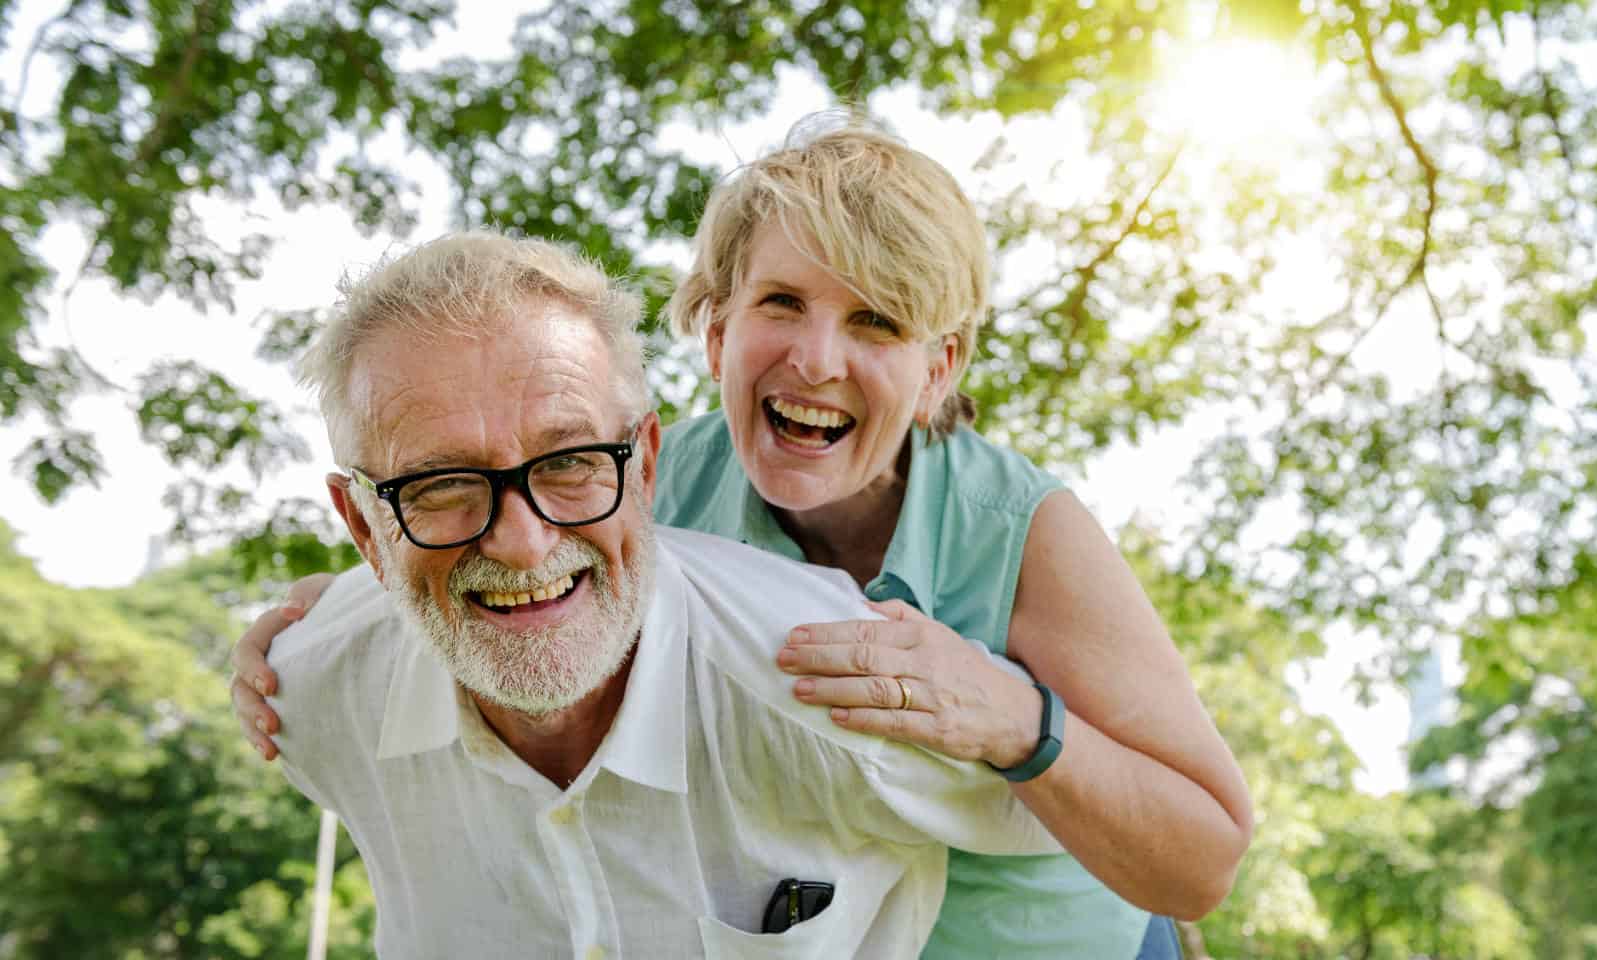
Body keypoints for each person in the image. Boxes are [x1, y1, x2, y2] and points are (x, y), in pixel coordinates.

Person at [235, 119, 1253, 959]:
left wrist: (1015, 719)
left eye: (877, 321)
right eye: (783, 303)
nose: (816, 359)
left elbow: (1202, 860)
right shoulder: (651, 480)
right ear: (717, 331)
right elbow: (510, 530)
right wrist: (353, 594)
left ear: (938, 369)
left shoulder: (1021, 531)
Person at [267, 230, 1062, 957]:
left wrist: (1030, 730)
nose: (523, 543)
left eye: (570, 463)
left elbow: (1058, 824)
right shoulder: (307, 693)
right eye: (441, 485)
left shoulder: (834, 685)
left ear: (646, 467)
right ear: (364, 527)